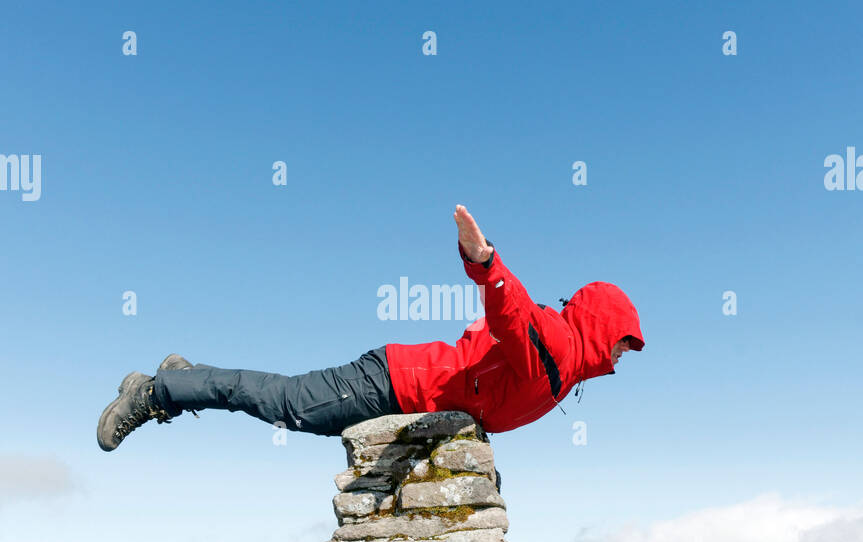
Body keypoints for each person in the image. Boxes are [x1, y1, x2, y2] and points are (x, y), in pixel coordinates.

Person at [97, 205, 645, 451]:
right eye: (624, 342)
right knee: (286, 403)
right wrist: (486, 263)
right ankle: (156, 391)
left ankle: (187, 378)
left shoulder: (563, 366)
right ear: (602, 326)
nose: (622, 358)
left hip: (404, 388)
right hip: (389, 384)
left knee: (288, 405)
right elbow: (513, 314)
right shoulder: (554, 350)